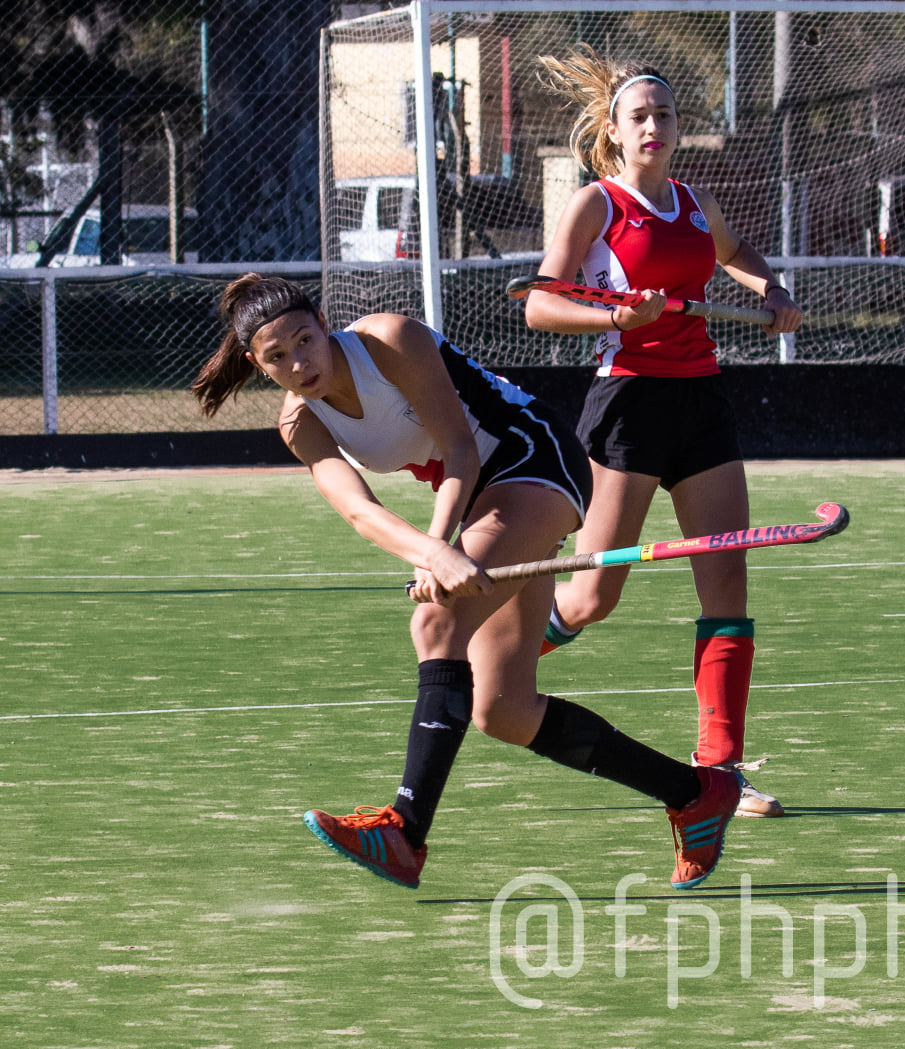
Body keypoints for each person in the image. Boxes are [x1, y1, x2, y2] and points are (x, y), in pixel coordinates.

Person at [190, 274, 741, 891]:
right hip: (483, 500)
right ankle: (696, 793)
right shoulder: (301, 424)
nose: (300, 362)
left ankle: (403, 833)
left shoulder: (388, 340)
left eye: (304, 340)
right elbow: (360, 511)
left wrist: (436, 551)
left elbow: (460, 449)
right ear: (256, 366)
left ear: (323, 322)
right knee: (504, 710)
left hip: (533, 457)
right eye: (277, 357)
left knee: (436, 623)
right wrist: (431, 552)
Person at [523, 47, 803, 819]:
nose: (654, 126)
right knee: (592, 597)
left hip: (701, 399)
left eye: (665, 115)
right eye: (639, 117)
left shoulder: (694, 202)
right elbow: (540, 305)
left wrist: (771, 289)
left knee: (727, 582)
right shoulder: (596, 205)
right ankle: (503, 659)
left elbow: (736, 254)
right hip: (629, 403)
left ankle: (721, 771)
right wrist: (617, 316)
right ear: (613, 132)